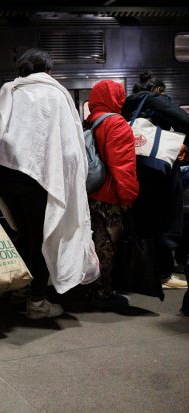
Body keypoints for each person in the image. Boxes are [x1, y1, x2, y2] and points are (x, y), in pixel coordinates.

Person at [0, 48, 100, 319]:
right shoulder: (55, 93)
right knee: (43, 238)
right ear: (48, 70)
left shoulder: (7, 91)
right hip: (40, 180)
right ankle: (37, 301)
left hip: (6, 178)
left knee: (23, 234)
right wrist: (72, 179)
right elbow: (70, 145)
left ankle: (20, 290)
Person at [122, 74, 189, 290]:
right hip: (160, 170)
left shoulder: (128, 106)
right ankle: (164, 274)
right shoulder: (157, 101)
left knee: (142, 220)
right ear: (158, 89)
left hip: (135, 170)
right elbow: (185, 121)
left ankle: (143, 272)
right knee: (167, 219)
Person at [86, 80, 139, 308]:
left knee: (92, 243)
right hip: (108, 197)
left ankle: (91, 287)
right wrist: (127, 197)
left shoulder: (90, 122)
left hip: (89, 193)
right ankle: (103, 293)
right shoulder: (116, 123)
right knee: (106, 245)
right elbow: (123, 166)